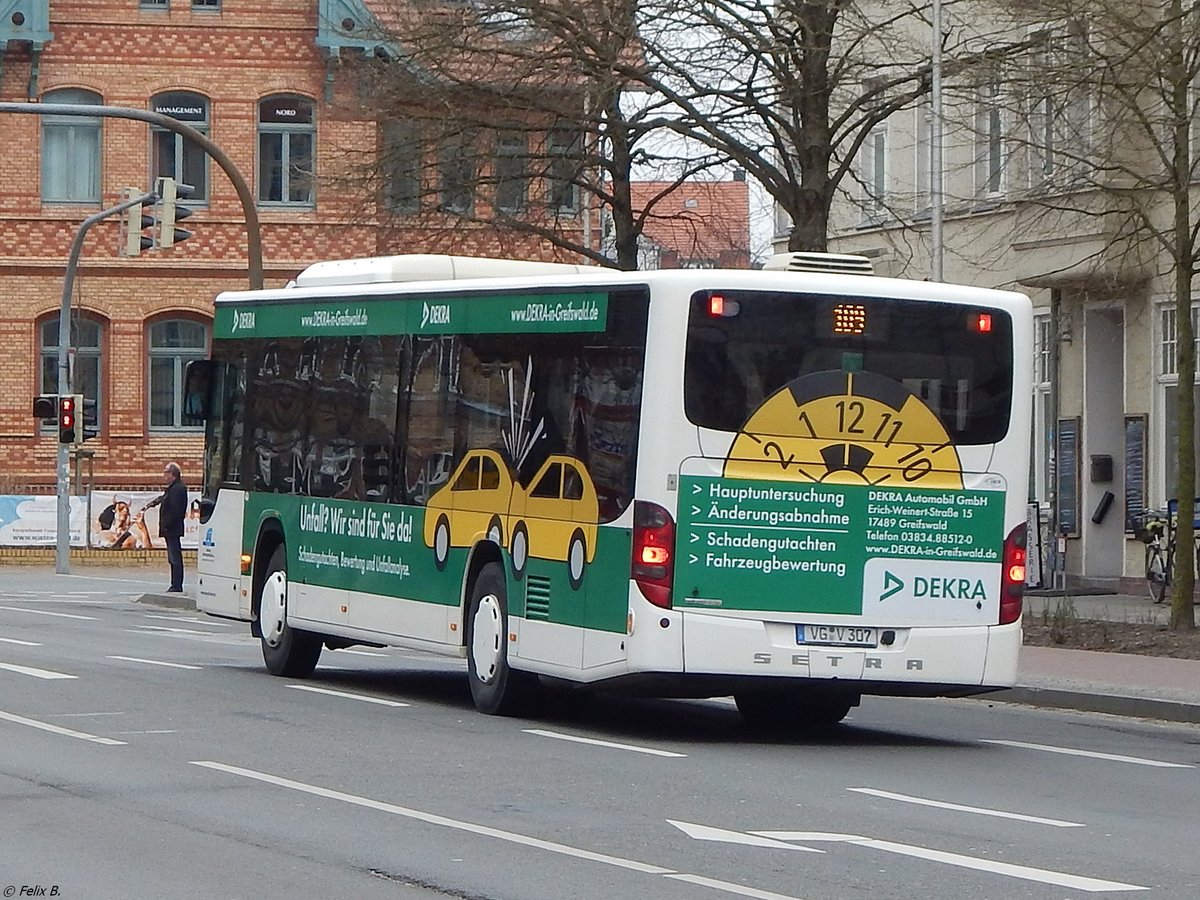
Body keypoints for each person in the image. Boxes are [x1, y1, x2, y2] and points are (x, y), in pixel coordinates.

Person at [143, 461, 188, 592]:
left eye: (166, 473)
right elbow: (163, 499)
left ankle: (176, 585)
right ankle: (175, 584)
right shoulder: (173, 488)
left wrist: (166, 525)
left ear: (173, 474)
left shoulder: (178, 489)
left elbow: (175, 510)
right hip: (170, 529)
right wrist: (152, 504)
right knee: (172, 557)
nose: (164, 476)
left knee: (175, 558)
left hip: (172, 529)